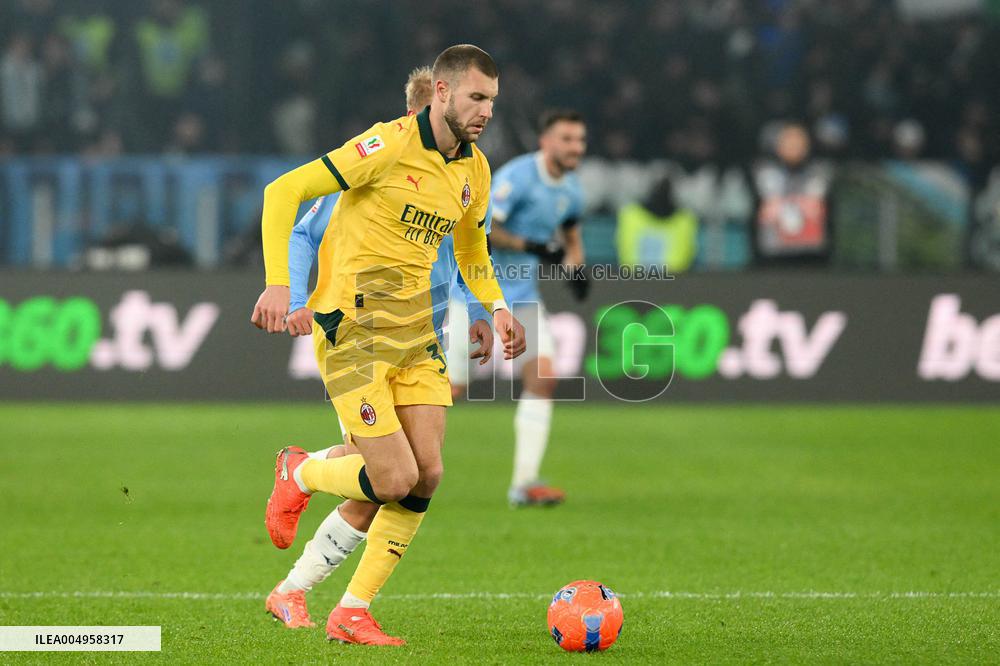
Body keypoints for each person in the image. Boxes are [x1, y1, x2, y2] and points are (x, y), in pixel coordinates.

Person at [251, 44, 526, 646]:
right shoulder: (385, 146)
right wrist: (279, 285)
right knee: (393, 478)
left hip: (417, 334)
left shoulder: (475, 171)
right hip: (353, 332)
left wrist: (496, 308)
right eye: (476, 97)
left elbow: (471, 249)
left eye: (492, 101)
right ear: (442, 92)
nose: (486, 111)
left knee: (426, 475)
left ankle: (351, 610)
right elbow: (283, 192)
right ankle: (301, 472)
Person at [447, 109, 586, 507]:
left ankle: (524, 484)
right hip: (477, 296)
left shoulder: (572, 189)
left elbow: (571, 232)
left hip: (523, 297)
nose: (576, 147)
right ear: (546, 142)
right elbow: (484, 231)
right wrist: (533, 246)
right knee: (449, 390)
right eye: (567, 139)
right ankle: (380, 463)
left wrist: (576, 267)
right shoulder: (517, 178)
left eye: (580, 140)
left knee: (543, 378)